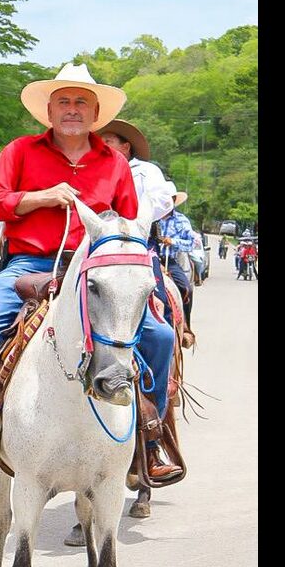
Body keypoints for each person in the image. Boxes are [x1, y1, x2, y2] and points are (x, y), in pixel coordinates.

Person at [0, 62, 138, 492]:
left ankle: (149, 441)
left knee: (157, 335)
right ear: (49, 111)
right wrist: (39, 198)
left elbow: (128, 229)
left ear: (95, 114)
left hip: (94, 270)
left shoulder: (115, 164)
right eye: (63, 101)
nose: (72, 109)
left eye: (81, 102)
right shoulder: (20, 151)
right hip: (29, 266)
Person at [98, 118, 182, 481]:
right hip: (91, 253)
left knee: (162, 333)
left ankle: (152, 433)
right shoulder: (87, 166)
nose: (103, 145)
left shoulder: (146, 172)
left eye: (109, 141)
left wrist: (130, 216)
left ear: (126, 146)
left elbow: (163, 200)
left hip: (135, 253)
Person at [158, 184, 196, 328]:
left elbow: (191, 243)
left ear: (174, 200)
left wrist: (173, 241)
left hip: (170, 261)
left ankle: (186, 327)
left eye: (170, 199)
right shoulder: (150, 218)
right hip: (149, 261)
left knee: (186, 289)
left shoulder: (181, 220)